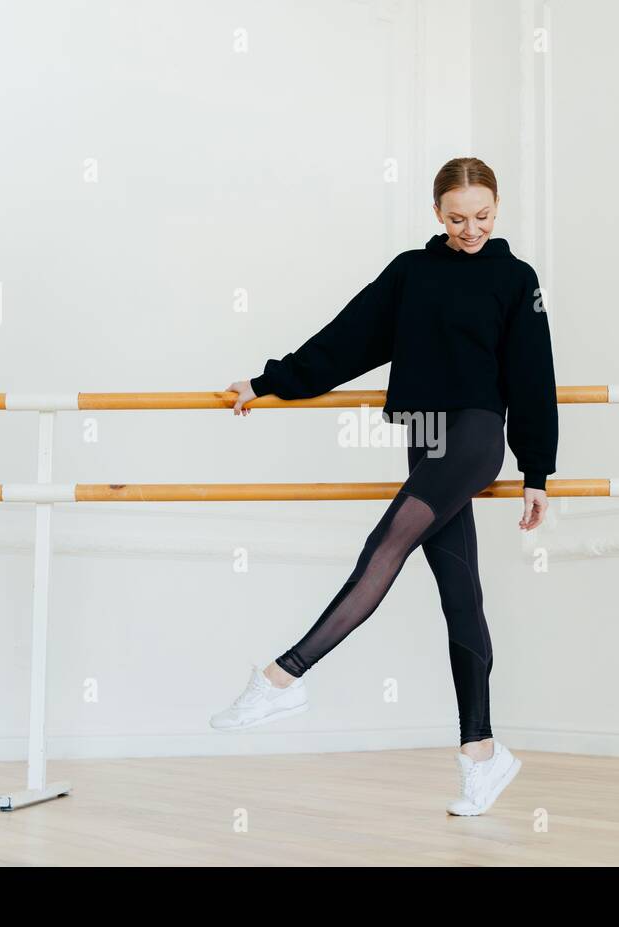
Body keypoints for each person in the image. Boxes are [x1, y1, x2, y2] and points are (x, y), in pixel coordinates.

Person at [211, 157, 558, 816]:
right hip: (425, 437)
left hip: (477, 437)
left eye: (482, 216)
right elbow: (347, 340)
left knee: (385, 544)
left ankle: (285, 675)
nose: (470, 228)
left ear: (498, 207)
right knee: (460, 596)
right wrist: (268, 381)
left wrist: (536, 470)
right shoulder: (412, 273)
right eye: (457, 218)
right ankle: (482, 754)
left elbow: (533, 374)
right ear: (437, 214)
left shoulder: (516, 279)